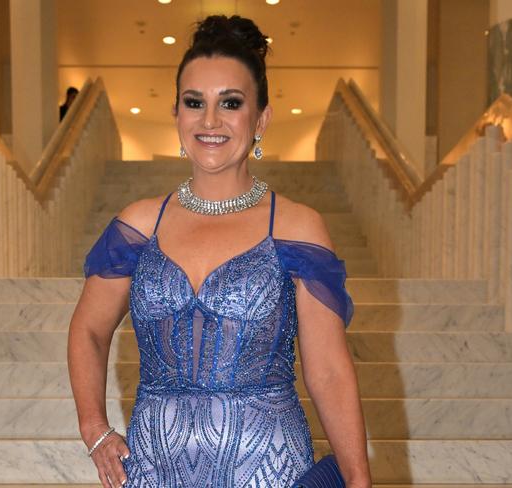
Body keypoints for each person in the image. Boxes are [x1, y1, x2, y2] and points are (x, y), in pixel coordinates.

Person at [68, 15, 371, 488]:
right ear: (177, 116)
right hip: (153, 469)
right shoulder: (139, 225)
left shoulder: (296, 226)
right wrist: (93, 427)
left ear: (261, 119)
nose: (210, 121)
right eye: (195, 103)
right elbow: (88, 329)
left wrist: (357, 480)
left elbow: (329, 370)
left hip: (269, 470)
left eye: (230, 103)